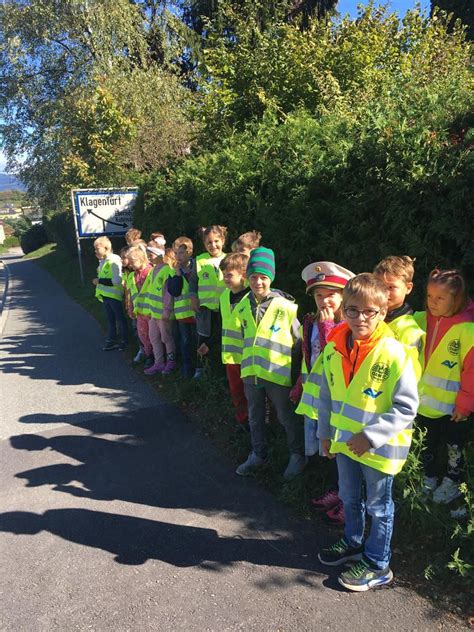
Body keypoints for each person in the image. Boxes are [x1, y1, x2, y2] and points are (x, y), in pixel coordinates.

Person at [317, 273, 418, 591]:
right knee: (349, 497)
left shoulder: (394, 353)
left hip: (379, 450)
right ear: (342, 310)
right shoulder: (333, 348)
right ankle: (353, 542)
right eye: (353, 311)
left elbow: (406, 407)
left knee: (379, 506)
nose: (360, 318)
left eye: (369, 312)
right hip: (345, 444)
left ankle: (378, 563)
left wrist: (370, 437)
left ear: (383, 312)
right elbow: (326, 394)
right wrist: (324, 433)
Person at [234, 247, 306, 479]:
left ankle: (297, 456)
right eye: (253, 277)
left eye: (263, 277)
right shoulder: (243, 304)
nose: (258, 282)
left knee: (286, 417)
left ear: (271, 278)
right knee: (255, 416)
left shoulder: (285, 306)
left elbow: (298, 342)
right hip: (251, 374)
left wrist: (296, 376)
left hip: (278, 375)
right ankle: (258, 454)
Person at [294, 262, 355, 525]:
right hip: (320, 397)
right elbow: (310, 357)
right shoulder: (312, 322)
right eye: (319, 295)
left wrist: (330, 326)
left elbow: (336, 354)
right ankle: (337, 490)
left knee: (344, 449)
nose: (324, 300)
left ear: (344, 296)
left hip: (343, 400)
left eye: (330, 294)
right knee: (328, 446)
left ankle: (349, 499)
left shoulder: (348, 327)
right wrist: (300, 384)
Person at [414, 269, 474, 503]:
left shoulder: (467, 328)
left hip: (454, 408)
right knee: (426, 444)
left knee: (454, 448)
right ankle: (428, 478)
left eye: (440, 298)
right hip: (424, 403)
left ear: (456, 299)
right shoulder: (421, 319)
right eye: (429, 296)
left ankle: (453, 482)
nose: (432, 302)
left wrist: (466, 404)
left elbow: (472, 370)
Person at [373, 256, 425, 377]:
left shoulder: (410, 331)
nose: (385, 292)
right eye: (380, 286)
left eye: (391, 287)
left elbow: (409, 374)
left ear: (408, 288)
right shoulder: (365, 317)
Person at [189, 225, 227, 378]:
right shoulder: (200, 260)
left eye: (216, 241)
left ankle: (220, 370)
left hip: (225, 308)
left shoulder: (229, 259)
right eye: (209, 243)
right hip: (205, 309)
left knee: (221, 337)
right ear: (204, 244)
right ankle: (200, 368)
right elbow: (192, 282)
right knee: (203, 337)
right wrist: (193, 298)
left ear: (223, 241)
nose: (213, 245)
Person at [219, 253, 250, 425]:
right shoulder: (224, 296)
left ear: (243, 275)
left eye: (230, 275)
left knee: (253, 394)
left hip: (249, 357)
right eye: (224, 275)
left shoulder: (251, 298)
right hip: (230, 356)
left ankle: (261, 424)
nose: (225, 278)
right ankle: (242, 421)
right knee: (236, 391)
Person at [143, 236, 177, 375]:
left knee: (166, 338)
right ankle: (158, 362)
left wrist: (167, 310)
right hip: (153, 314)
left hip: (163, 314)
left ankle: (171, 361)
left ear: (158, 254)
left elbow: (169, 293)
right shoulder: (153, 270)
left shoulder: (167, 270)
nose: (148, 258)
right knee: (154, 338)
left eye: (150, 255)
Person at [92, 236, 128, 351]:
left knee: (119, 318)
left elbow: (117, 280)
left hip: (114, 296)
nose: (95, 251)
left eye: (97, 248)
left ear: (106, 248)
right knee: (110, 319)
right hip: (106, 296)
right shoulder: (103, 261)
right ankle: (111, 339)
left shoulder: (113, 260)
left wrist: (100, 281)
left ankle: (124, 340)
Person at [168, 236, 196, 378]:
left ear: (189, 252)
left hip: (196, 312)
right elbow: (174, 291)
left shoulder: (197, 267)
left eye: (181, 253)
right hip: (182, 314)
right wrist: (178, 274)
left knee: (197, 341)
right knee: (185, 342)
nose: (178, 256)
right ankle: (186, 367)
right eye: (176, 253)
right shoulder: (173, 271)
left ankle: (199, 368)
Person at [127, 245, 154, 368]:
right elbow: (131, 293)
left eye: (133, 262)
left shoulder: (151, 272)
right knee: (143, 335)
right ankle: (149, 355)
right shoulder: (132, 275)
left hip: (151, 311)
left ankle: (156, 357)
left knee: (154, 336)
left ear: (141, 259)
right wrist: (130, 306)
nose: (130, 265)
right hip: (139, 312)